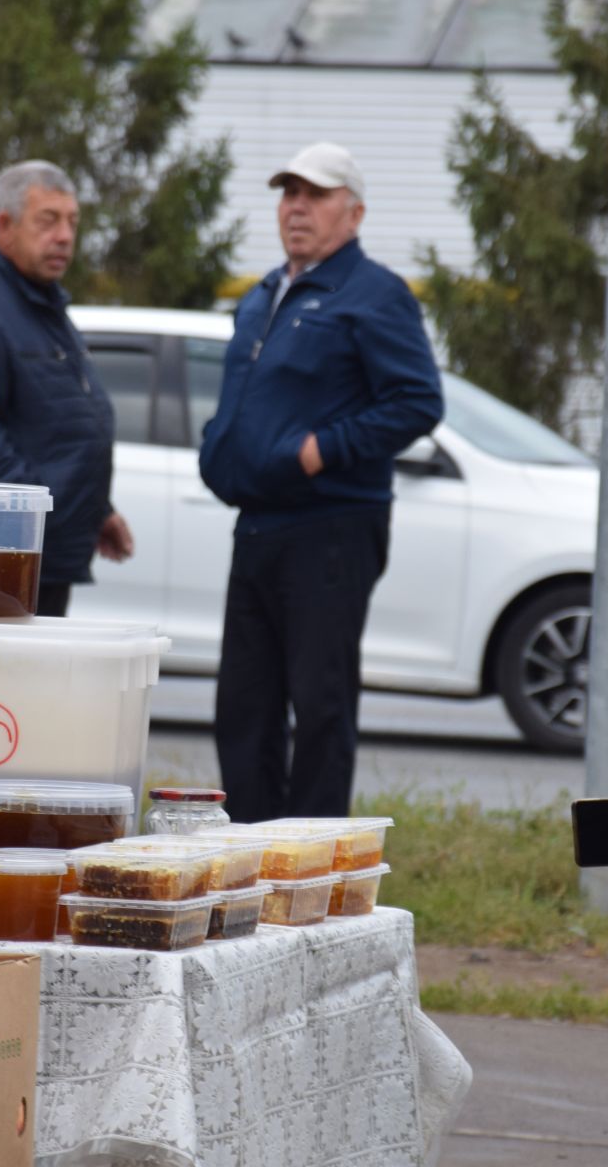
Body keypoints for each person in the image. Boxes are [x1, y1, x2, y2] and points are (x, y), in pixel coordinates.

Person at [197, 143, 443, 822]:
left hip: (331, 528)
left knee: (320, 704)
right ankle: (250, 855)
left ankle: (311, 865)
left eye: (316, 194)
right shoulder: (263, 293)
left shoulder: (375, 294)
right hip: (256, 525)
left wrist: (318, 451)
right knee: (243, 707)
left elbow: (417, 401)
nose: (297, 207)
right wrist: (219, 443)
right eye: (288, 194)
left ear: (354, 212)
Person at [0, 160, 131, 616]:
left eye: (72, 221)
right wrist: (37, 511)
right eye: (48, 220)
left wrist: (97, 509)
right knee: (1, 688)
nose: (65, 236)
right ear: (5, 224)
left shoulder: (42, 302)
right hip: (3, 555)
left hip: (43, 550)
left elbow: (56, 420)